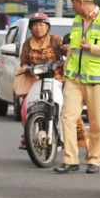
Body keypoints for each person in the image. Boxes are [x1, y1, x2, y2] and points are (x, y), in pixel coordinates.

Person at [54, 0, 100, 175]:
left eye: (72, 2)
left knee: (96, 122)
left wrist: (93, 48)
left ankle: (94, 160)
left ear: (80, 2)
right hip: (74, 78)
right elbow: (74, 47)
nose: (71, 6)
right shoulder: (77, 21)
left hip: (96, 80)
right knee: (67, 117)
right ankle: (70, 160)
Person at [14, 12, 87, 150]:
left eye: (41, 25)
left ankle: (81, 140)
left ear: (47, 27)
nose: (38, 28)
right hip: (35, 80)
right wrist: (27, 69)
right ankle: (27, 135)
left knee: (69, 107)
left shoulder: (56, 40)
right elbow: (24, 62)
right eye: (35, 25)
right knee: (25, 107)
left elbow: (67, 50)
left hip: (57, 78)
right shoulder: (27, 44)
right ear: (31, 28)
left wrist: (68, 49)